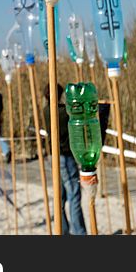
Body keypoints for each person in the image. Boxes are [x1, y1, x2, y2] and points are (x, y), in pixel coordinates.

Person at [44, 83, 86, 235]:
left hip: (54, 156)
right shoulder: (62, 113)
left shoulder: (47, 110)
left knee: (60, 195)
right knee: (74, 194)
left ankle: (63, 229)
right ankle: (79, 232)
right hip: (64, 156)